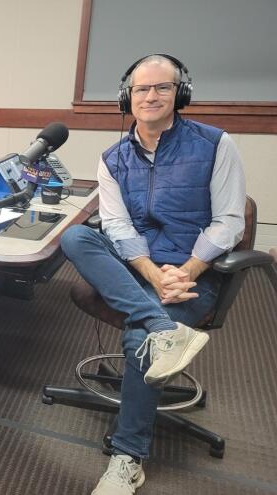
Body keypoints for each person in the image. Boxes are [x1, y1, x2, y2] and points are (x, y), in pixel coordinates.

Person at [59, 55, 246, 494]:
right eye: (142, 89)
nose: (151, 96)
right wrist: (150, 273)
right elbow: (119, 227)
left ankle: (127, 457)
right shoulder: (113, 157)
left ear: (180, 93)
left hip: (193, 271)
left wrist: (184, 270)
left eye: (162, 87)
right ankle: (164, 327)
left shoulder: (216, 143)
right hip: (140, 267)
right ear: (128, 96)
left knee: (137, 338)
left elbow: (230, 221)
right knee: (75, 239)